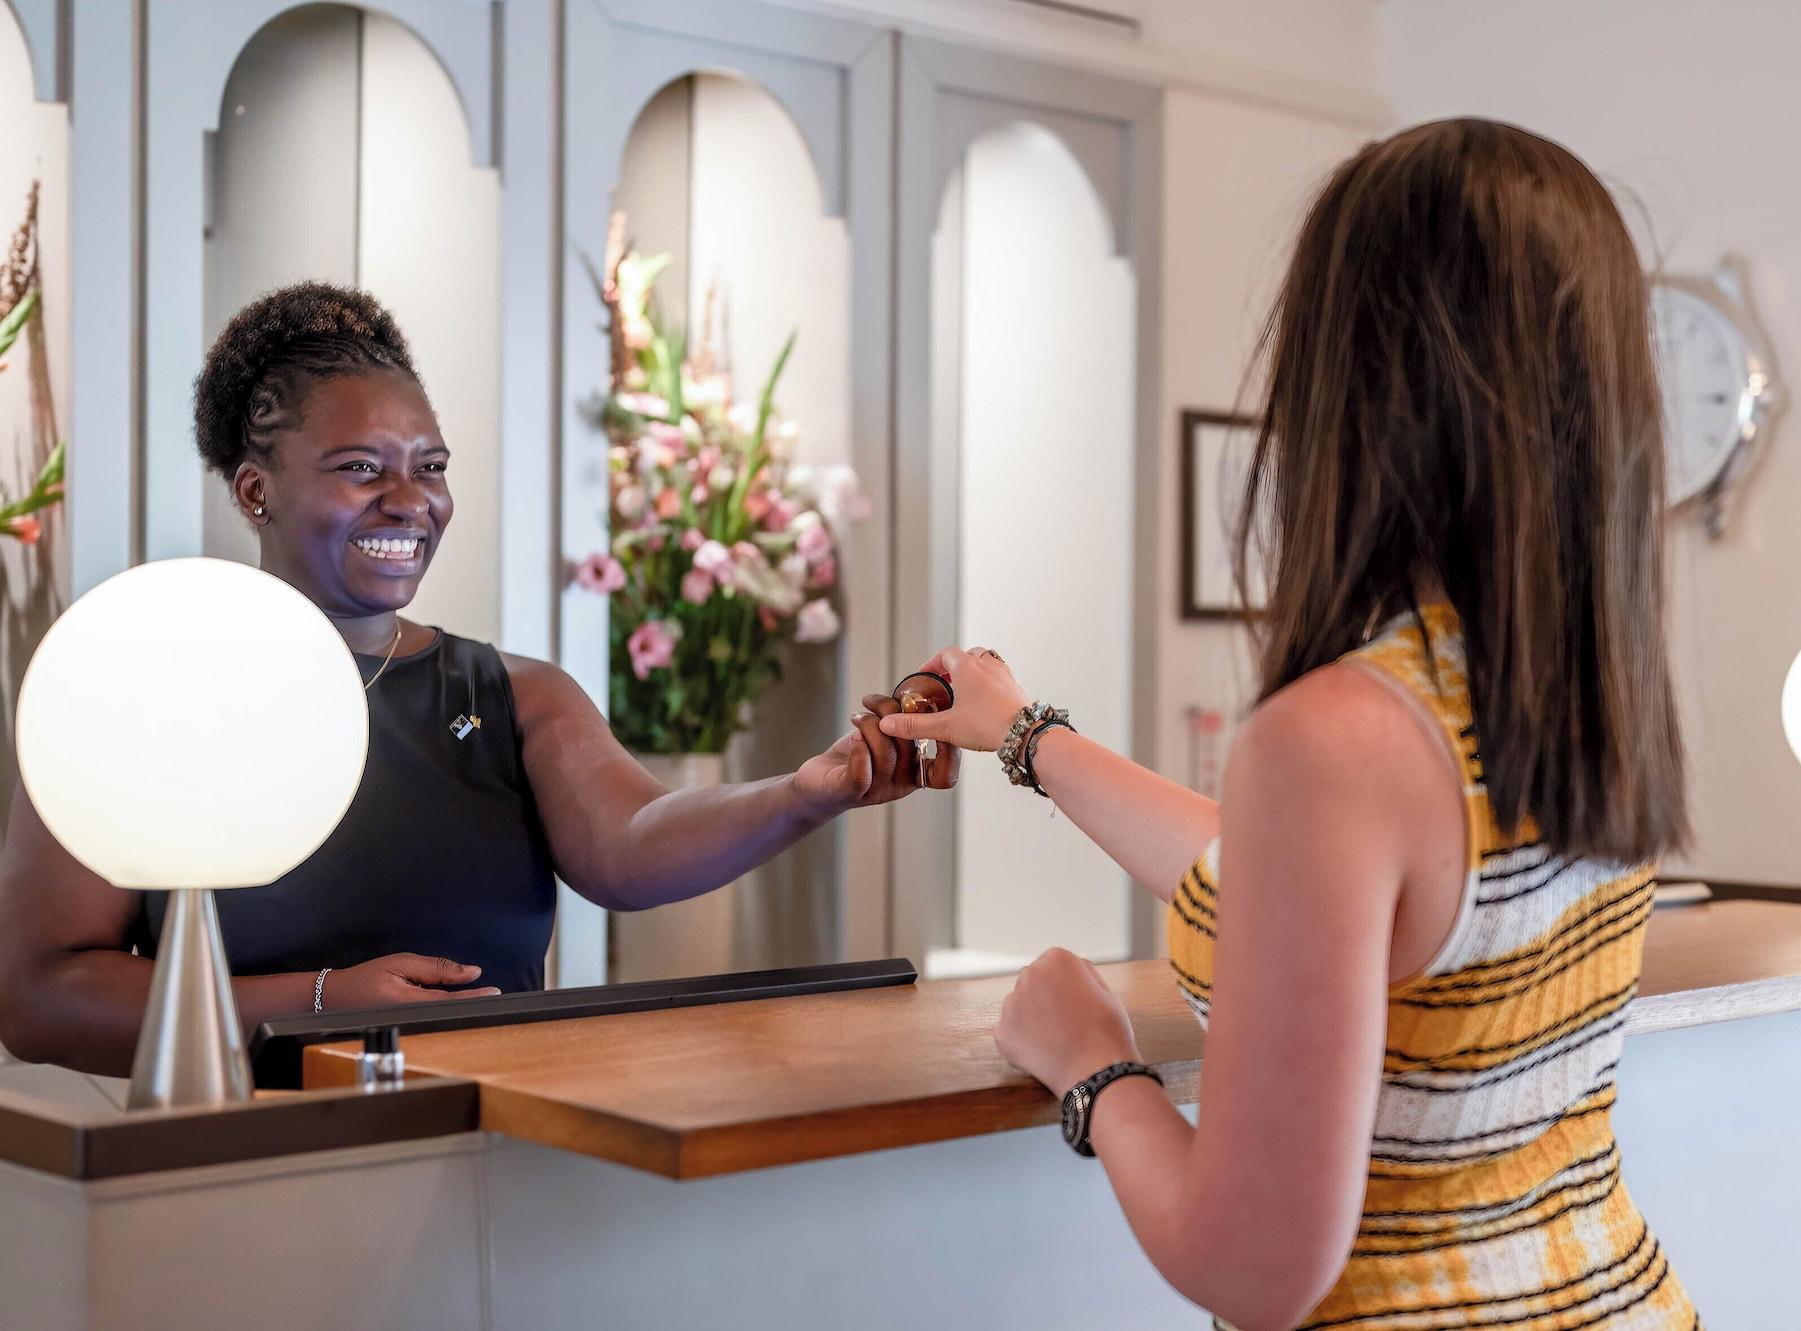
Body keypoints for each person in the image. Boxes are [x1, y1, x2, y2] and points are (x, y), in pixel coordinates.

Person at [883, 119, 1699, 1330]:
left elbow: (1257, 1268)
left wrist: (1091, 1064)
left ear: (1356, 376)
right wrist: (1023, 734)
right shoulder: (1578, 683)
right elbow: (1302, 884)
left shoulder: (1338, 734)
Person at [0, 283, 948, 1077]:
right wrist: (325, 1007)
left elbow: (633, 845)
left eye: (431, 467)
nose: (409, 501)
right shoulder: (136, 685)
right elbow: (39, 995)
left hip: (509, 1170)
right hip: (233, 1180)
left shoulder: (515, 696)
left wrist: (803, 794)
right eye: (360, 467)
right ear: (256, 490)